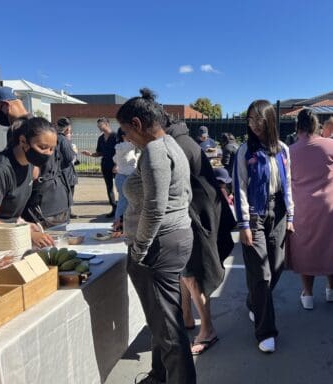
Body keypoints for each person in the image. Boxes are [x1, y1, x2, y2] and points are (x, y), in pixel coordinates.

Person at [117, 88, 196, 384]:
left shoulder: (154, 151)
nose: (125, 137)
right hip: (172, 238)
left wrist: (139, 249)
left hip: (160, 243)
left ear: (136, 123)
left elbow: (154, 207)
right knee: (160, 319)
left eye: (125, 131)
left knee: (168, 327)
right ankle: (159, 375)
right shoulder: (171, 144)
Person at [164, 116, 235, 356]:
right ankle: (185, 316)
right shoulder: (182, 140)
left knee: (193, 275)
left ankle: (208, 330)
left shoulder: (178, 145)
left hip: (197, 216)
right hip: (201, 212)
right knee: (186, 272)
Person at [233, 99, 294, 353]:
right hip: (255, 215)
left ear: (269, 120)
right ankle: (266, 331)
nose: (254, 125)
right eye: (250, 120)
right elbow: (240, 188)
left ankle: (253, 303)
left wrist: (291, 216)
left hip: (278, 213)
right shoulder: (244, 151)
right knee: (261, 274)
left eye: (259, 120)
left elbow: (288, 183)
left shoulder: (282, 149)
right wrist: (244, 224)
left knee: (277, 267)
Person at [288, 109, 333, 310]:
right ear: (317, 126)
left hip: (303, 207)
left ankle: (307, 294)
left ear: (297, 128)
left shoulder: (290, 151)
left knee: (305, 248)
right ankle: (331, 289)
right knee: (332, 246)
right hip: (332, 206)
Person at [0, 117, 56, 248]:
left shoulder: (30, 165)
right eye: (43, 147)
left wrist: (23, 223)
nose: (48, 154)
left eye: (52, 149)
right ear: (23, 141)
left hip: (10, 239)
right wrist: (25, 232)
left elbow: (8, 213)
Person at [81, 117, 117, 217]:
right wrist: (91, 154)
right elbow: (100, 152)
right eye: (98, 126)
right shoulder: (100, 138)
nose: (99, 128)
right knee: (109, 188)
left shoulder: (116, 136)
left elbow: (121, 151)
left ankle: (123, 210)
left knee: (121, 188)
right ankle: (114, 208)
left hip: (116, 166)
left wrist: (118, 165)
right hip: (105, 165)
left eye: (100, 125)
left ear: (106, 124)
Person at [112, 128, 138, 231]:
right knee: (124, 202)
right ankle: (118, 226)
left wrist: (119, 164)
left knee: (126, 202)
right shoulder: (123, 146)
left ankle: (122, 225)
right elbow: (138, 142)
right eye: (130, 133)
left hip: (124, 177)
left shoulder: (122, 147)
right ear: (124, 136)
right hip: (124, 177)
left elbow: (115, 159)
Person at [56, 117, 79, 218]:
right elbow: (69, 157)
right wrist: (74, 152)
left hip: (58, 171)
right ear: (67, 129)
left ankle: (67, 212)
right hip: (66, 173)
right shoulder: (64, 140)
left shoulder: (54, 138)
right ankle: (66, 213)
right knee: (68, 194)